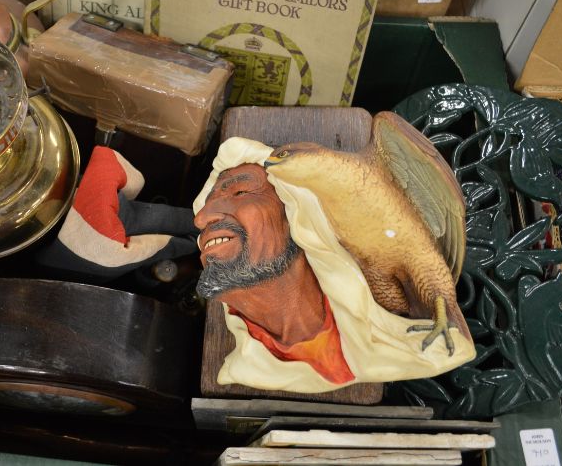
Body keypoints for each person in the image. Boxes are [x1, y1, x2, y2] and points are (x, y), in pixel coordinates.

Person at [193, 137, 475, 393]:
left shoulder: (395, 344)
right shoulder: (251, 364)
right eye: (205, 207)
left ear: (296, 215)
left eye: (240, 192)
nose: (200, 218)